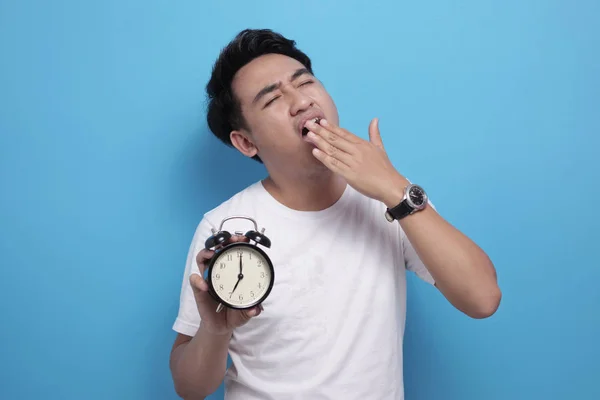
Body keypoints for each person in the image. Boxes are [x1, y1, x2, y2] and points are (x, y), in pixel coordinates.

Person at [169, 28, 501, 400]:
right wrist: (215, 332)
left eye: (305, 82)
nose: (301, 102)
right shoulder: (223, 227)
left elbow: (483, 298)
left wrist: (394, 189)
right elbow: (190, 388)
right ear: (246, 142)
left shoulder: (392, 197)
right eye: (273, 98)